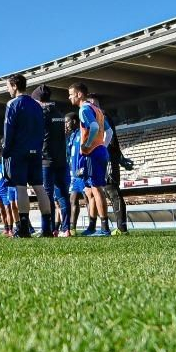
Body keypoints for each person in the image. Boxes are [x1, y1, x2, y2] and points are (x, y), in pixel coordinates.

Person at [2, 74, 46, 237]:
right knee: (39, 188)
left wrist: (6, 149)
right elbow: (42, 129)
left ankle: (24, 228)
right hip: (36, 150)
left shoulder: (12, 103)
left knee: (20, 187)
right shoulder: (37, 105)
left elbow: (9, 128)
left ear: (14, 86)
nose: (7, 89)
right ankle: (47, 228)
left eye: (8, 86)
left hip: (19, 151)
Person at [69, 81, 111, 236]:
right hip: (100, 151)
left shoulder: (84, 109)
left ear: (79, 94)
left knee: (96, 189)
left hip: (92, 153)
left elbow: (93, 127)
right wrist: (102, 146)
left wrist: (87, 145)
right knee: (90, 190)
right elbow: (109, 132)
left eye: (71, 94)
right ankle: (93, 227)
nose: (69, 97)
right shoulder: (96, 109)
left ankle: (104, 228)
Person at [91, 93, 132, 235]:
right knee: (109, 191)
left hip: (107, 157)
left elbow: (109, 137)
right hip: (107, 156)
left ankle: (122, 228)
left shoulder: (101, 115)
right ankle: (120, 227)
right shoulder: (99, 116)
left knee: (112, 190)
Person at [34, 86, 71, 237]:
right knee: (63, 194)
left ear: (38, 100)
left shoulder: (41, 114)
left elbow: (38, 136)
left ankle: (48, 229)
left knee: (47, 194)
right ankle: (66, 228)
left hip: (46, 160)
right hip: (61, 159)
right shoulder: (59, 113)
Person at [65, 115, 85, 235]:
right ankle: (72, 228)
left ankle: (94, 226)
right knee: (72, 200)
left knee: (88, 199)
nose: (66, 125)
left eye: (67, 122)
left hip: (82, 172)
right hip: (74, 174)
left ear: (73, 121)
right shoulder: (71, 136)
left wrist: (83, 167)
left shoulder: (82, 133)